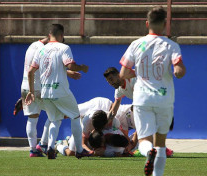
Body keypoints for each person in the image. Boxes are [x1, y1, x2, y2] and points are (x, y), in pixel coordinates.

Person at [119, 6, 186, 176]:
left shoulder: (136, 44)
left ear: (147, 23)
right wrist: (177, 71)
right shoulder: (171, 45)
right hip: (164, 98)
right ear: (165, 24)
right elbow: (179, 71)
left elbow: (123, 73)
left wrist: (139, 73)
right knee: (161, 142)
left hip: (142, 98)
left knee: (144, 140)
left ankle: (148, 152)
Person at [25, 24, 91, 159]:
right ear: (61, 35)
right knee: (75, 116)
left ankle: (50, 147)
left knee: (54, 120)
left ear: (49, 35)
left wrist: (31, 91)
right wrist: (82, 67)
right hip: (60, 90)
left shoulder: (41, 50)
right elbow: (70, 65)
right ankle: (79, 150)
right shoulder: (64, 47)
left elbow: (31, 71)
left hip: (45, 93)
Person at [104, 67, 174, 157]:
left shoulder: (133, 80)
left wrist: (133, 143)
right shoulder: (118, 90)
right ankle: (158, 149)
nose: (110, 83)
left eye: (111, 79)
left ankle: (158, 150)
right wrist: (104, 125)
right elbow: (113, 111)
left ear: (119, 75)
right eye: (108, 81)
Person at [20, 37, 51, 157]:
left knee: (32, 119)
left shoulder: (31, 46)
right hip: (37, 87)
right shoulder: (44, 49)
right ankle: (43, 143)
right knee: (56, 114)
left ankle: (33, 149)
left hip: (24, 85)